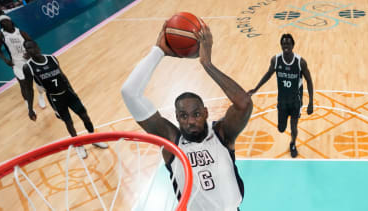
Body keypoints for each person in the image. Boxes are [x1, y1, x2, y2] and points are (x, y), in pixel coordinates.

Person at [121, 20, 253, 210]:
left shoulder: (221, 134)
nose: (190, 121)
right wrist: (158, 51)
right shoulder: (172, 142)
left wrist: (207, 64)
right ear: (177, 118)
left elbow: (244, 103)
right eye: (183, 116)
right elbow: (129, 93)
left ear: (206, 113)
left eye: (196, 114)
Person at [22, 40, 108, 159]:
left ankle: (93, 138)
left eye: (32, 47)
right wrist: (30, 109)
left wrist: (72, 90)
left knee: (84, 115)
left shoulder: (52, 58)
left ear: (37, 47)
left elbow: (62, 75)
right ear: (27, 52)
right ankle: (79, 145)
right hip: (55, 97)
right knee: (68, 122)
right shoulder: (28, 67)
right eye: (28, 49)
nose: (31, 50)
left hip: (68, 93)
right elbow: (29, 89)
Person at [248, 33, 314, 158]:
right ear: (281, 45)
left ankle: (293, 144)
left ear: (293, 45)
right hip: (282, 101)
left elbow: (309, 81)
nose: (286, 45)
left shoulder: (300, 62)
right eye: (284, 43)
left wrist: (311, 102)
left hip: (296, 100)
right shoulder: (276, 60)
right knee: (281, 129)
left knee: (294, 126)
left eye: (288, 43)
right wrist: (256, 88)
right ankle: (286, 129)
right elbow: (268, 74)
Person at [0, 15, 46, 109]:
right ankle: (28, 105)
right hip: (16, 63)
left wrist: (30, 53)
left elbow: (33, 43)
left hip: (29, 61)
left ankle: (40, 96)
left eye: (6, 21)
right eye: (2, 22)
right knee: (23, 84)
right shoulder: (0, 35)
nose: (5, 23)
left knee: (38, 81)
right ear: (1, 24)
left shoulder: (20, 32)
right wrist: (5, 60)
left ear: (11, 21)